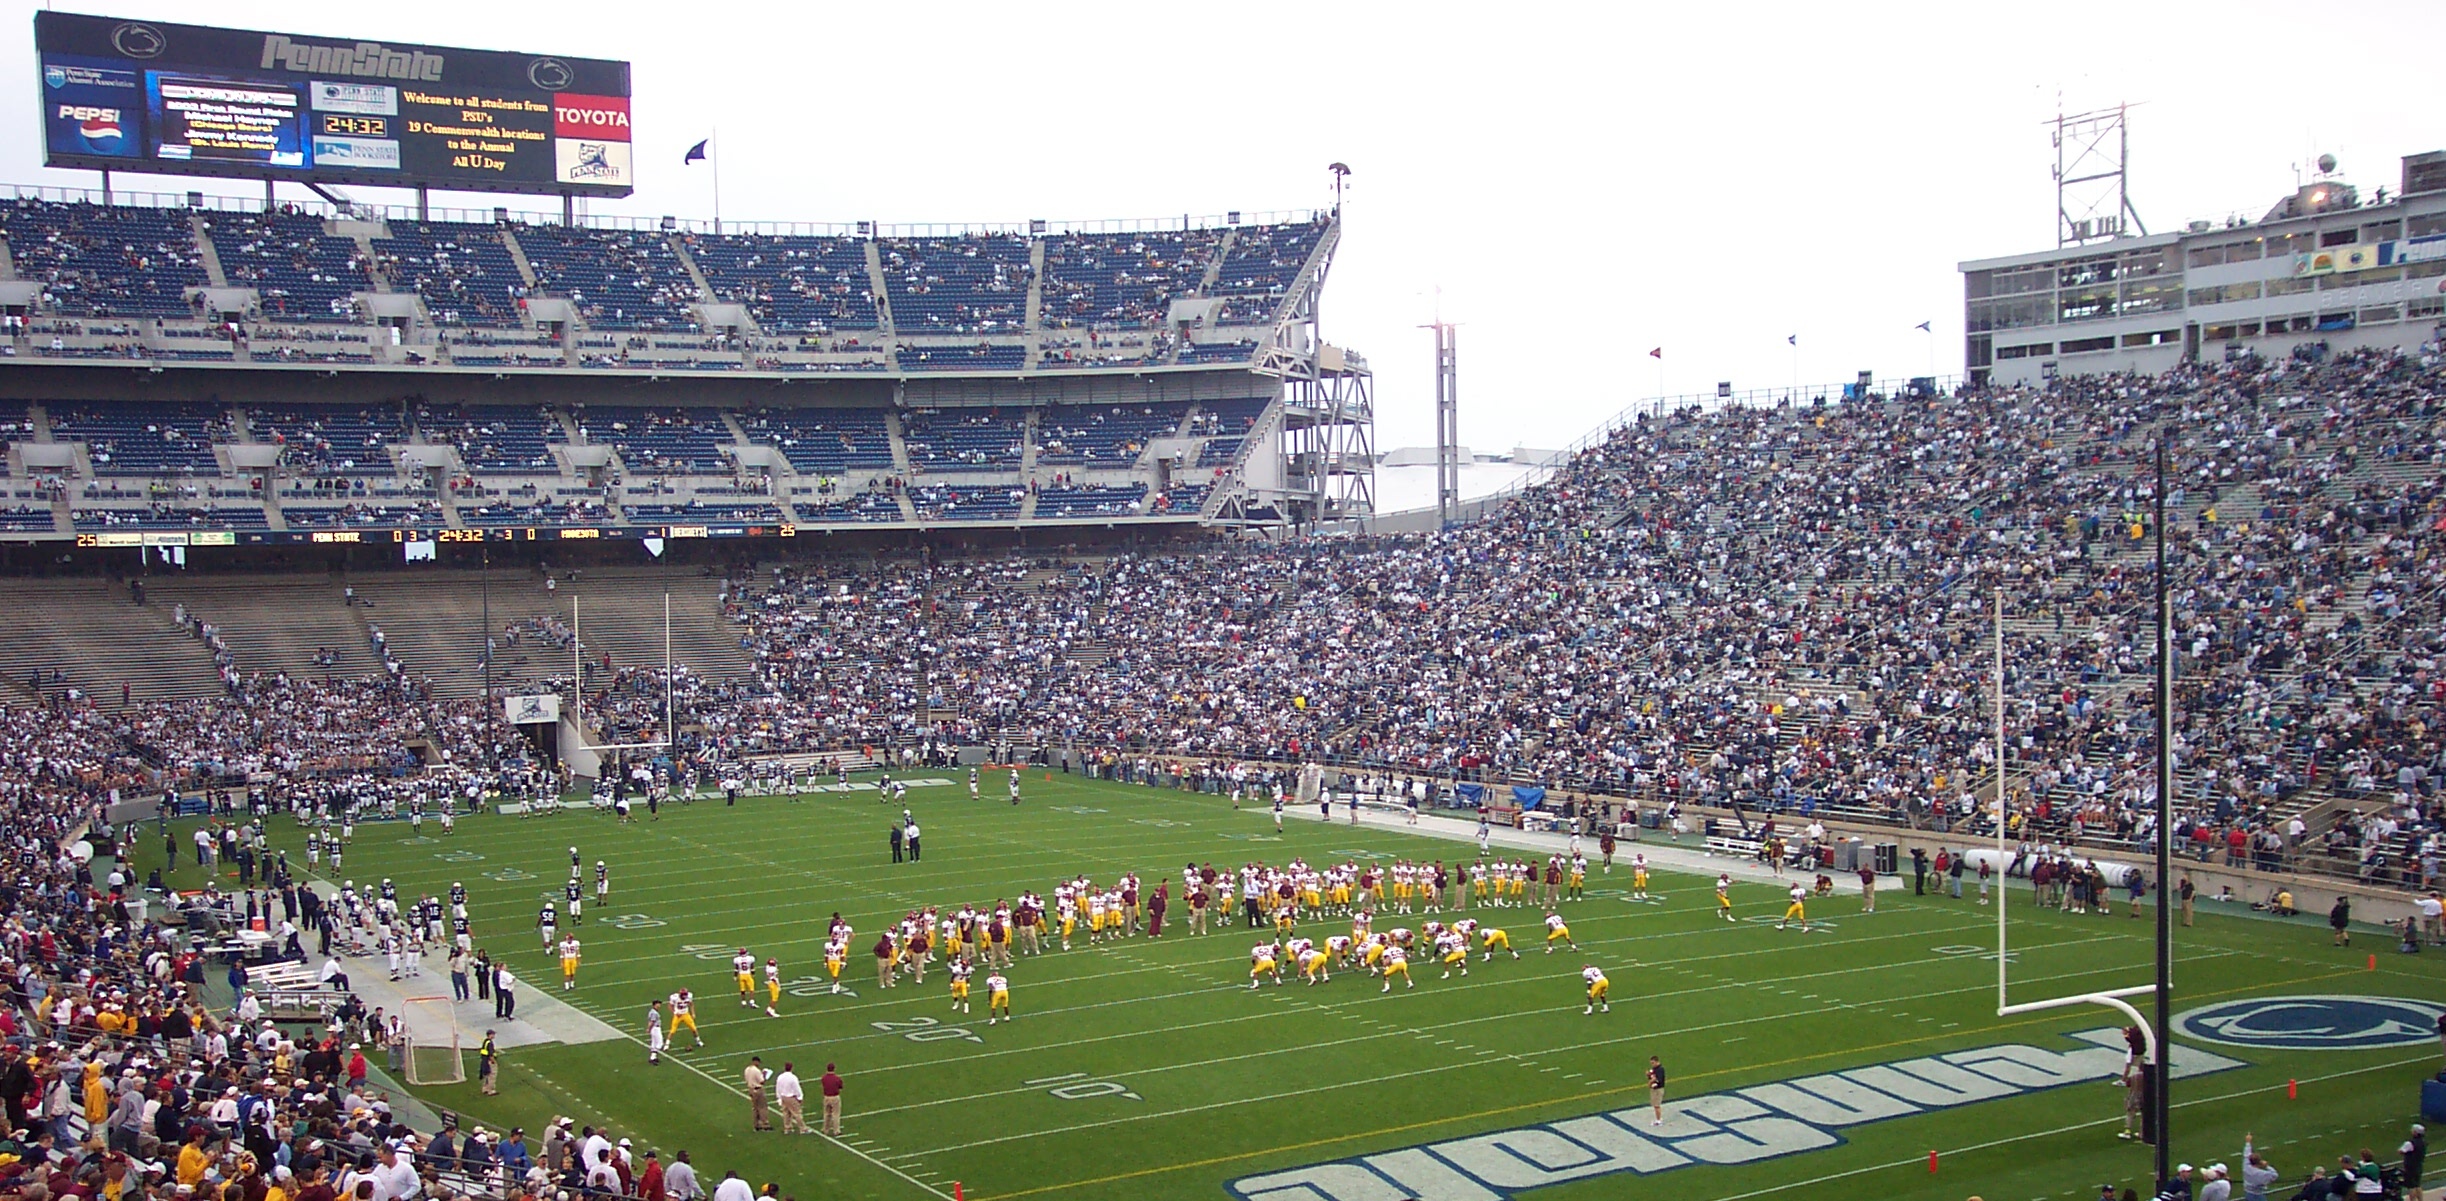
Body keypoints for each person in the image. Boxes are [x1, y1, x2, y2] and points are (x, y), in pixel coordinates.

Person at [775, 1062, 806, 1134]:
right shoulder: (793, 1077)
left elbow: (778, 1088)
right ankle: (803, 1128)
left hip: (783, 1097)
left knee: (786, 1114)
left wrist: (779, 1097)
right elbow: (797, 1088)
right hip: (791, 1097)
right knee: (797, 1113)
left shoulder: (780, 1077)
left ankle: (787, 1128)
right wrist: (800, 1097)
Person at [742, 1057, 769, 1131]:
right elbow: (762, 1081)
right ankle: (765, 1124)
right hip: (758, 1089)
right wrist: (765, 1075)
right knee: (762, 1107)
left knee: (755, 1108)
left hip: (751, 1089)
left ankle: (756, 1125)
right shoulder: (756, 1071)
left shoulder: (747, 1069)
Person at [820, 1063, 844, 1136]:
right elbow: (841, 1086)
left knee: (827, 1114)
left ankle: (825, 1129)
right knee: (835, 1114)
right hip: (834, 1097)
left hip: (826, 1097)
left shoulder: (823, 1078)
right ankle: (836, 1130)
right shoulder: (837, 1078)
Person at [1646, 1055, 1666, 1125]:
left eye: (1653, 1063)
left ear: (1657, 1062)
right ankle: (1658, 1118)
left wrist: (1651, 1081)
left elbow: (1658, 1080)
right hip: (1654, 1089)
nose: (1652, 1064)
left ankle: (1659, 1120)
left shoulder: (1660, 1069)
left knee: (1657, 1105)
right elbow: (1652, 1077)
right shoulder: (1654, 1069)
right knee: (1655, 1105)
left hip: (1658, 1089)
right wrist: (1649, 1075)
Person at [478, 1030, 498, 1095]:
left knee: (486, 1075)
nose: (494, 1036)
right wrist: (494, 1062)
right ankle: (490, 1090)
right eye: (493, 1034)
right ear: (490, 1035)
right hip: (489, 1061)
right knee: (492, 1075)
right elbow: (490, 1054)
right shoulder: (490, 1043)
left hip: (484, 1061)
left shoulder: (485, 1041)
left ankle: (485, 1089)